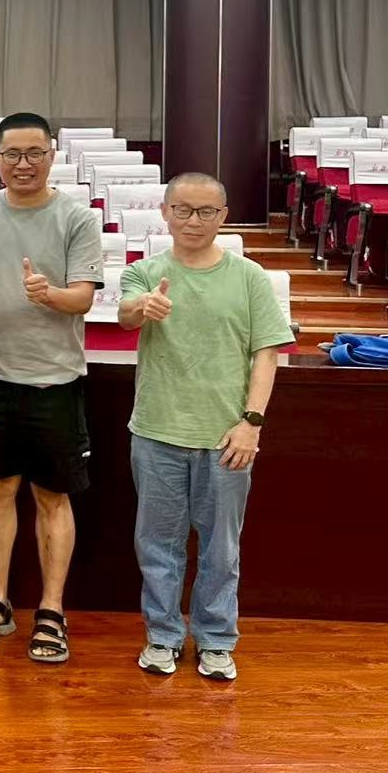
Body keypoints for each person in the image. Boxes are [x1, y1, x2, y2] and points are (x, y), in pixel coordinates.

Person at [118, 173, 293, 681]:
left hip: (227, 438)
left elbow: (266, 354)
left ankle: (216, 639)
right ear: (165, 212)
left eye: (206, 212)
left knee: (222, 547)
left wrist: (251, 423)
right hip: (156, 433)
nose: (194, 221)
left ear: (224, 216)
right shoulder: (144, 272)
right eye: (183, 210)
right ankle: (162, 635)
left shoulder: (250, 277)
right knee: (157, 546)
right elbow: (127, 314)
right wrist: (143, 307)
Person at [0, 112, 103, 664]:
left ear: (52, 154)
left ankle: (51, 609)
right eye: (12, 153)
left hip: (52, 380)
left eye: (34, 153)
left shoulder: (76, 217)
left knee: (51, 497)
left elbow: (83, 298)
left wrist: (49, 295)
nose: (23, 164)